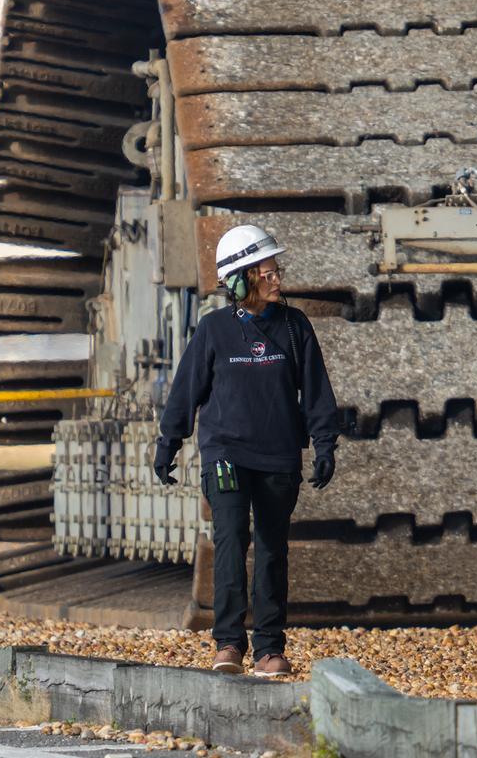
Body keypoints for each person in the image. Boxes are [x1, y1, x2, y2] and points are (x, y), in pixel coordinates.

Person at [155, 224, 338, 678]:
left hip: (278, 457)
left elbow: (316, 391)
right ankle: (229, 644)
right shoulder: (214, 330)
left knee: (273, 551)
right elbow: (185, 393)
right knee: (231, 542)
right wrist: (168, 443)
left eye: (277, 270)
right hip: (225, 454)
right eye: (268, 272)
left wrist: (325, 442)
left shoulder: (295, 327)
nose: (278, 279)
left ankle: (269, 649)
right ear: (241, 278)